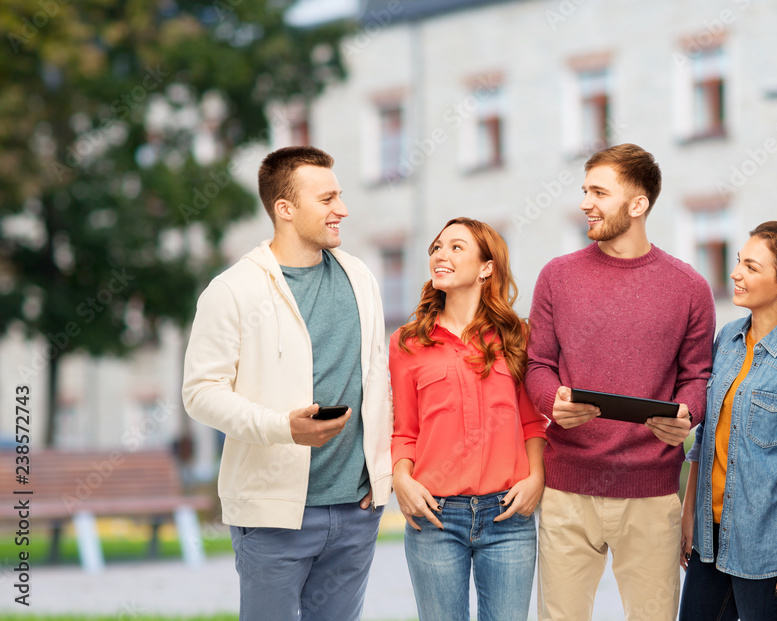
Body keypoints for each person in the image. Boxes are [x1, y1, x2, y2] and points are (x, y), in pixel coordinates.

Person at [182, 146, 392, 621]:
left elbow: (379, 380)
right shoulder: (232, 290)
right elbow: (200, 392)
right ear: (286, 209)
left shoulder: (359, 276)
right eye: (327, 199)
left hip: (355, 510)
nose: (342, 209)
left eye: (339, 196)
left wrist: (381, 474)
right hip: (273, 516)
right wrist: (283, 427)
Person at [526, 143, 716, 620]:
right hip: (567, 488)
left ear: (638, 205)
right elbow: (538, 364)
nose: (586, 202)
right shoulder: (557, 276)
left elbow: (698, 376)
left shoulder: (689, 287)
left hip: (652, 494)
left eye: (599, 192)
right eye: (585, 190)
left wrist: (686, 415)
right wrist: (554, 401)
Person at [678, 221, 777, 621]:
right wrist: (688, 516)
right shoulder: (727, 339)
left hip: (769, 548)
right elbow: (706, 438)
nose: (736, 273)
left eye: (752, 267)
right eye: (738, 262)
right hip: (709, 540)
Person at [389, 217, 547, 621]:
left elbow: (533, 423)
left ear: (486, 267)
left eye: (456, 247)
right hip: (435, 517)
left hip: (508, 515)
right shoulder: (407, 342)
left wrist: (536, 479)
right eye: (437, 247)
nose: (441, 254)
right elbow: (405, 430)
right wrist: (402, 480)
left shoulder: (517, 337)